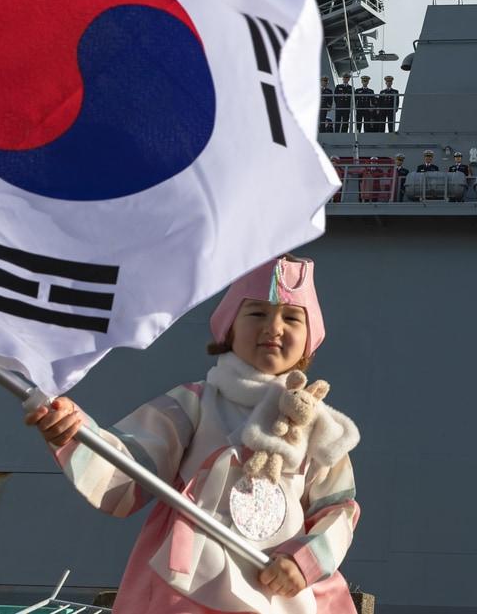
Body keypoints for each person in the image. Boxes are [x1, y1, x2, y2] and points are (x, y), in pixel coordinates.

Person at [26, 256, 361, 614]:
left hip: (282, 592)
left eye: (292, 317)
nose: (274, 328)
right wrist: (76, 432)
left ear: (310, 338)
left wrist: (304, 562)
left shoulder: (319, 426)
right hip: (191, 586)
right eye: (257, 314)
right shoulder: (196, 402)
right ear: (229, 328)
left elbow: (339, 509)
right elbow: (131, 466)